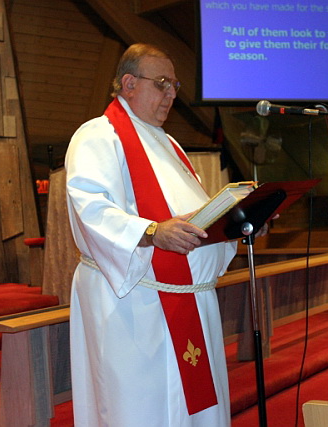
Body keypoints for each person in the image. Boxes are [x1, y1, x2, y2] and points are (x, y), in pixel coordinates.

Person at [65, 43, 237, 426]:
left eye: (174, 85)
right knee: (140, 409)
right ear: (129, 84)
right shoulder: (98, 136)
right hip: (134, 306)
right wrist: (153, 232)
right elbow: (91, 208)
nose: (172, 94)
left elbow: (189, 211)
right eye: (162, 83)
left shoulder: (168, 143)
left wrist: (233, 221)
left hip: (187, 300)